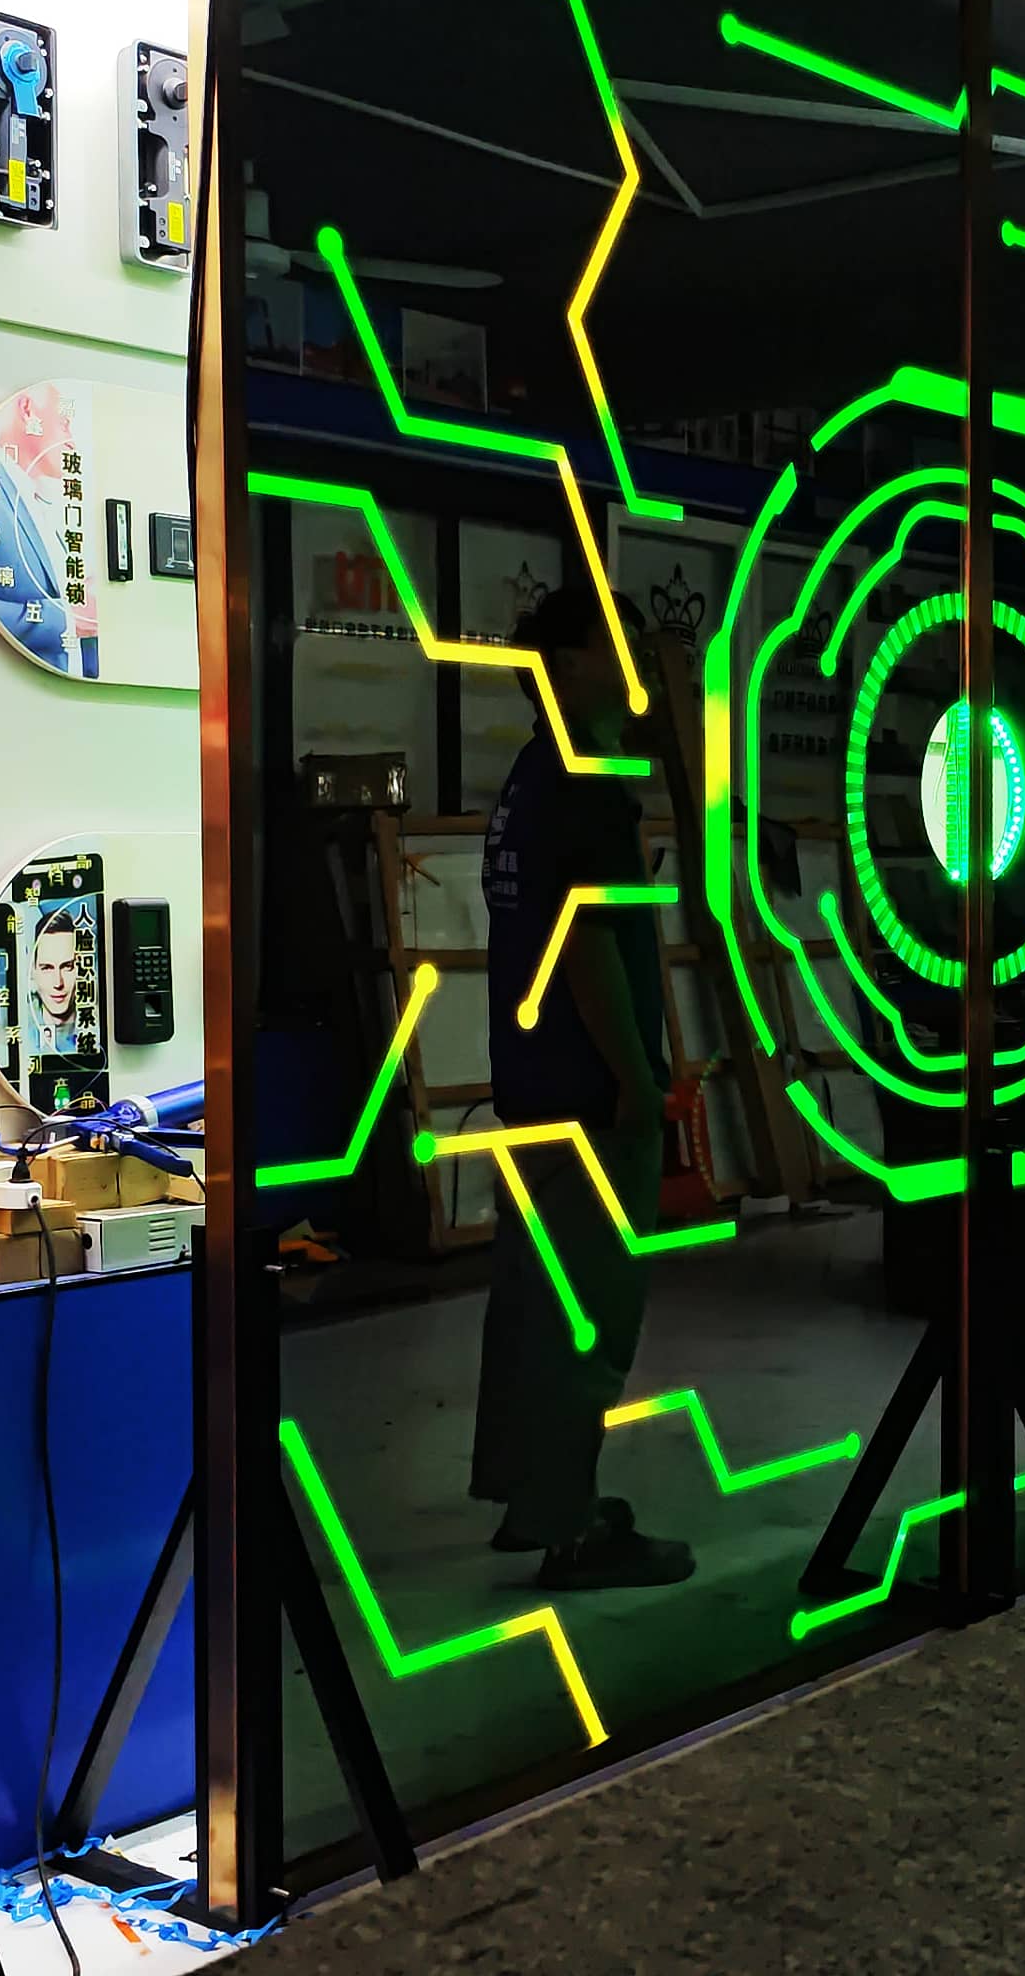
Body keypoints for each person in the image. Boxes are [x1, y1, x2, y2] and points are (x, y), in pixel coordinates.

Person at [470, 582, 693, 1588]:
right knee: (587, 1319)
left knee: (532, 1307)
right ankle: (571, 1528)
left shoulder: (531, 777)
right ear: (569, 665)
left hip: (532, 1086)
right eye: (623, 647)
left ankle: (529, 1497)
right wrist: (637, 1083)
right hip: (587, 1096)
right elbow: (589, 950)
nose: (641, 666)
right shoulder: (586, 786)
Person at [29, 913, 82, 1055]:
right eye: (47, 968)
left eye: (67, 967)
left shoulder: (100, 1030)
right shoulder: (22, 1036)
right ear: (33, 971)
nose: (58, 983)